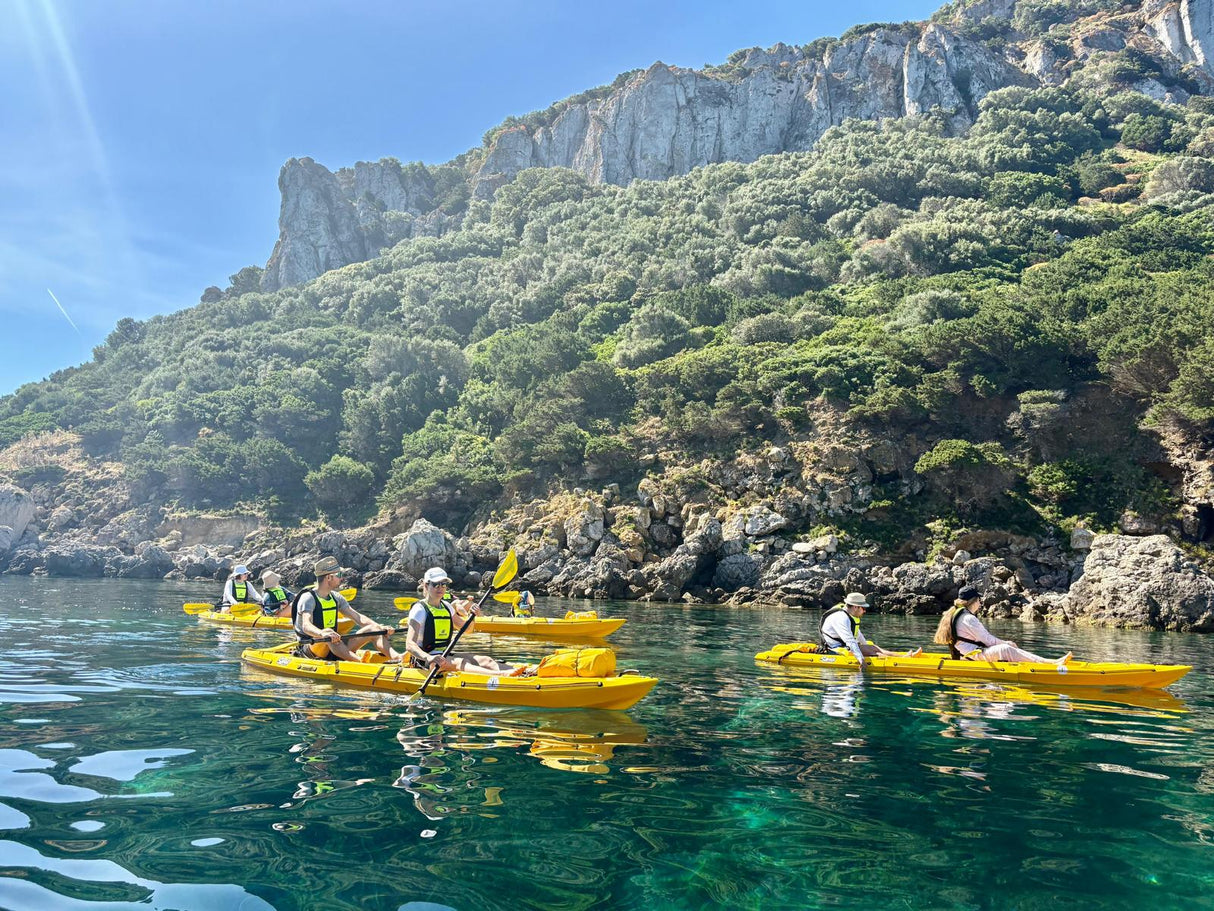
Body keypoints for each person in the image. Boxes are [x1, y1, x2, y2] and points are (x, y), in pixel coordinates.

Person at [404, 567, 523, 677]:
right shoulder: (419, 609)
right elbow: (410, 644)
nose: (440, 588)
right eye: (436, 584)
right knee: (460, 662)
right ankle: (502, 675)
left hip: (444, 654)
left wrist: (472, 616)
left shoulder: (447, 607)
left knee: (486, 660)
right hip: (423, 660)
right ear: (426, 585)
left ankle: (523, 672)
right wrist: (428, 657)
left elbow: (468, 630)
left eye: (443, 584)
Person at [292, 556, 400, 661]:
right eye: (338, 574)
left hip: (333, 643)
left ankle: (397, 657)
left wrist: (380, 627)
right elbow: (306, 626)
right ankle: (359, 662)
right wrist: (322, 633)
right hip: (311, 648)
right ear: (328, 577)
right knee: (329, 632)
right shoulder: (308, 598)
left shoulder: (336, 597)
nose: (341, 578)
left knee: (374, 629)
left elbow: (358, 617)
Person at [934, 586, 1071, 666]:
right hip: (971, 656)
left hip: (968, 653)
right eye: (979, 600)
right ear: (973, 601)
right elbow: (987, 640)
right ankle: (1051, 664)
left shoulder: (959, 615)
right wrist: (1007, 643)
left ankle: (1047, 662)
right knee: (1005, 648)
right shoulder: (968, 618)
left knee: (1005, 647)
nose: (980, 604)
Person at [820, 592, 922, 665]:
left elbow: (857, 634)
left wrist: (866, 646)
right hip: (834, 649)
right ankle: (902, 661)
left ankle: (904, 656)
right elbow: (849, 640)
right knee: (873, 652)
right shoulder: (841, 618)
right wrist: (861, 659)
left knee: (873, 647)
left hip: (843, 646)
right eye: (863, 608)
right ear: (855, 607)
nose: (864, 611)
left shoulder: (849, 615)